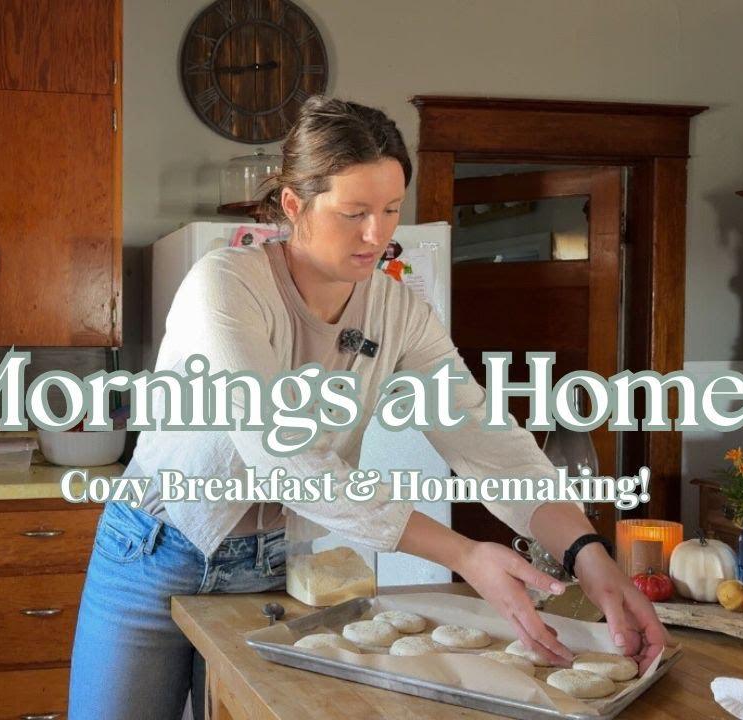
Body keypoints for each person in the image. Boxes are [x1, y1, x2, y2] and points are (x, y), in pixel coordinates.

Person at [68, 96, 666, 720]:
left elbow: (489, 444)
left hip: (285, 567)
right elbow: (283, 458)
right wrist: (463, 554)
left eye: (389, 210)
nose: (377, 235)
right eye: (354, 213)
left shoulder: (400, 311)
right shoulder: (224, 285)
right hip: (158, 550)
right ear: (295, 205)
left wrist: (590, 557)